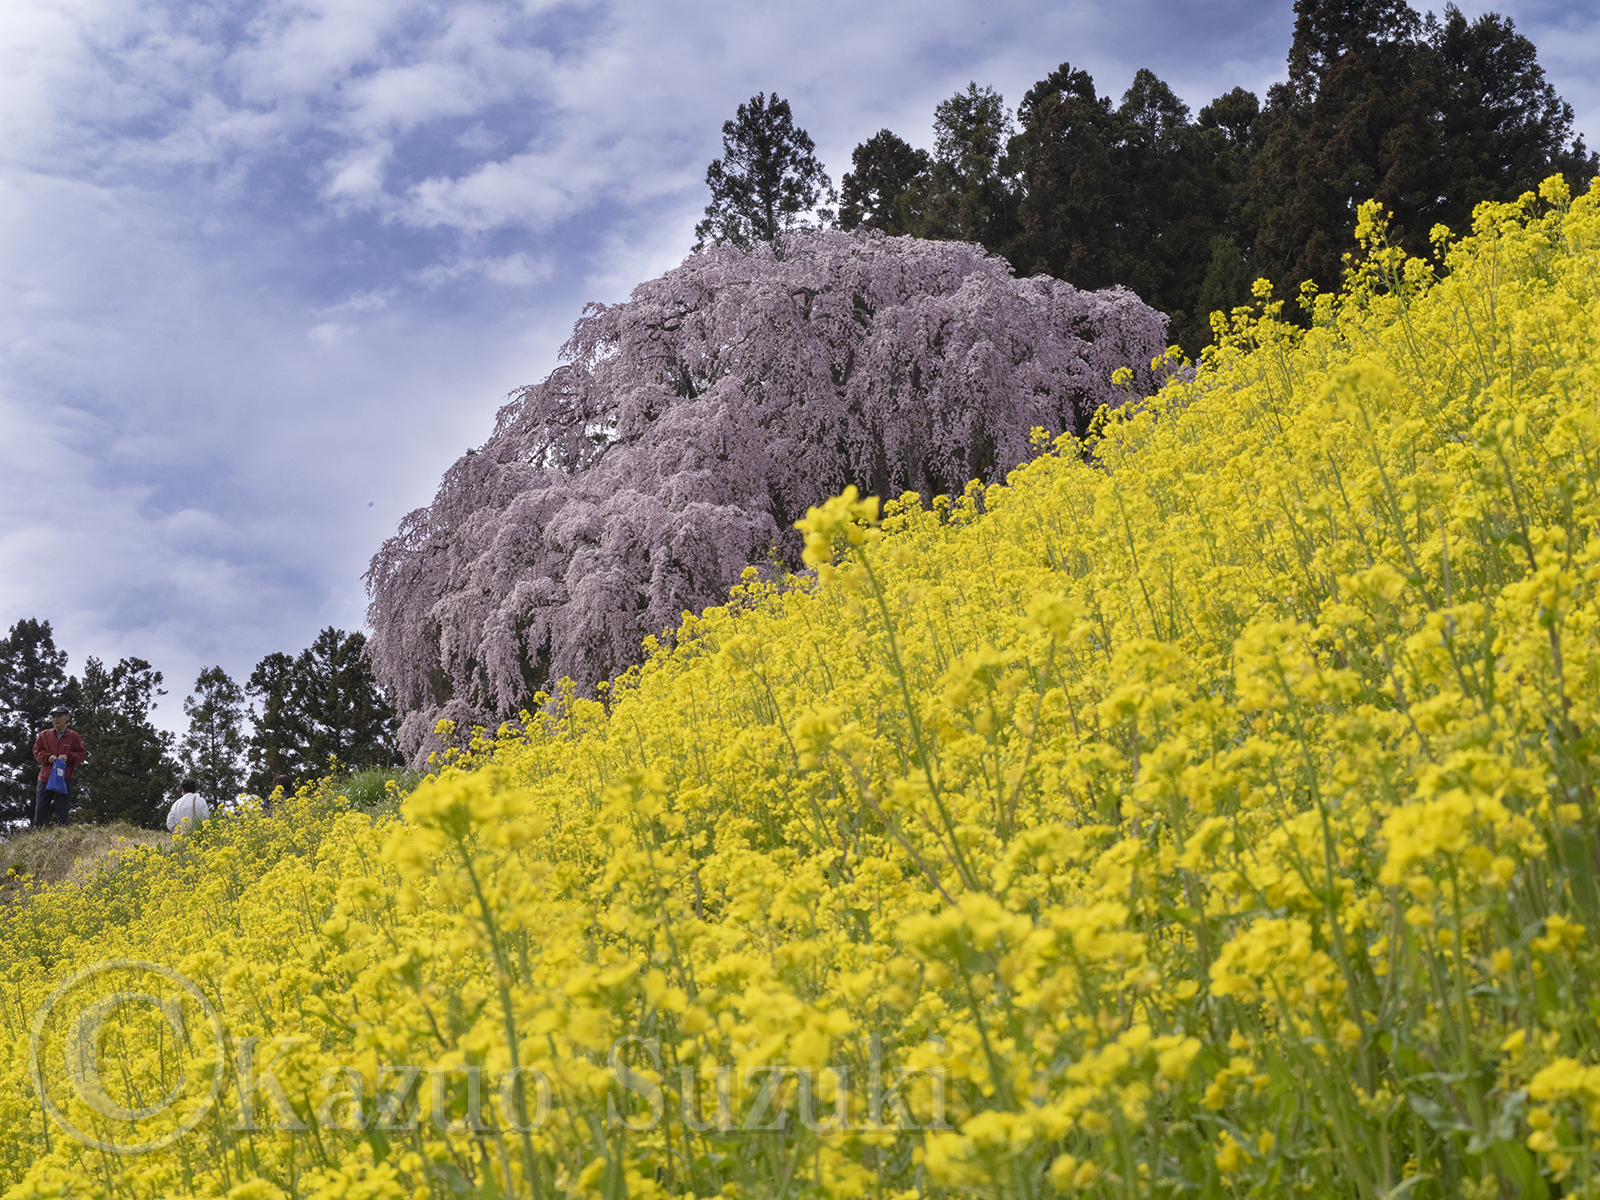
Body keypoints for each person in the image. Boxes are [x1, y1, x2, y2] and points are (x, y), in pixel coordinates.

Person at [32, 704, 86, 828]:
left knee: (63, 811)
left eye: (59, 716)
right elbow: (36, 752)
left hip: (65, 779)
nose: (56, 719)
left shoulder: (74, 736)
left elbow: (81, 755)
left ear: (67, 717)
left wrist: (68, 757)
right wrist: (47, 757)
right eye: (53, 717)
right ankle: (35, 835)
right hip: (45, 778)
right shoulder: (44, 735)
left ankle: (63, 836)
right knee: (40, 808)